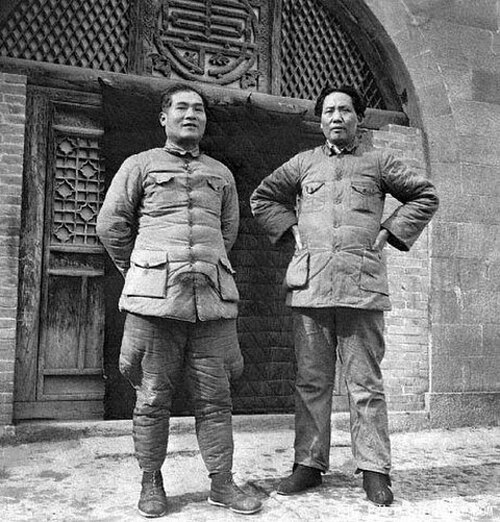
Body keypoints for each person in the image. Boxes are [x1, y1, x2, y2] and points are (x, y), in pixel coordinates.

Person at [250, 85, 439, 506]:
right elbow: (262, 197)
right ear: (320, 121)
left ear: (359, 118)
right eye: (329, 111)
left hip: (361, 287)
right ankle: (308, 465)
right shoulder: (303, 164)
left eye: (345, 110)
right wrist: (293, 230)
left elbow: (425, 195)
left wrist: (388, 233)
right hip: (311, 287)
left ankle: (374, 470)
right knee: (311, 382)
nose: (337, 117)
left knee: (364, 384)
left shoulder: (379, 161)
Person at [96, 83, 262, 518]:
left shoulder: (222, 174)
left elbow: (228, 234)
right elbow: (111, 225)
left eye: (199, 109)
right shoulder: (139, 165)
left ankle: (222, 483)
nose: (192, 114)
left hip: (212, 301)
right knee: (152, 396)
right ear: (164, 117)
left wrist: (204, 267)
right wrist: (141, 273)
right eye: (182, 107)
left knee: (217, 397)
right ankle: (151, 482)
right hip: (154, 304)